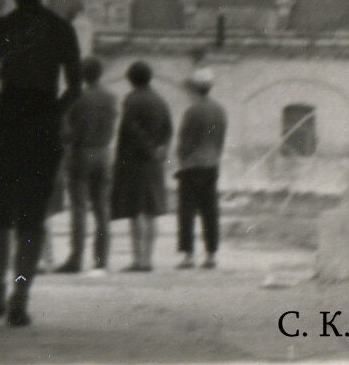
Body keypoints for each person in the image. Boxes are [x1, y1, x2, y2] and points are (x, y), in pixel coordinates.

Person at [0, 0, 82, 327]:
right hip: (42, 122)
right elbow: (74, 88)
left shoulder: (2, 28)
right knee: (32, 218)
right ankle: (20, 294)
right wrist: (52, 114)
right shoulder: (61, 29)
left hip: (5, 119)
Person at [110, 61, 172, 272]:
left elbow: (130, 130)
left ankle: (139, 260)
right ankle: (148, 258)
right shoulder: (160, 100)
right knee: (151, 211)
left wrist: (148, 150)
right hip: (155, 163)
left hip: (136, 162)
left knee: (136, 210)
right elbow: (168, 129)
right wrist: (161, 149)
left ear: (131, 80)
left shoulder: (132, 100)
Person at [58, 56, 117, 273]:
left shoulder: (75, 97)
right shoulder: (110, 97)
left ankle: (76, 257)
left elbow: (65, 131)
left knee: (79, 207)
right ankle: (101, 259)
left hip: (81, 152)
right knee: (102, 208)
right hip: (104, 152)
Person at [175, 67, 227, 269]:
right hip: (211, 164)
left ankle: (188, 255)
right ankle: (211, 254)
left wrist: (182, 158)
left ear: (195, 89)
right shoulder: (219, 110)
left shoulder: (192, 111)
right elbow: (220, 139)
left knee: (187, 211)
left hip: (191, 165)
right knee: (210, 210)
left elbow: (185, 140)